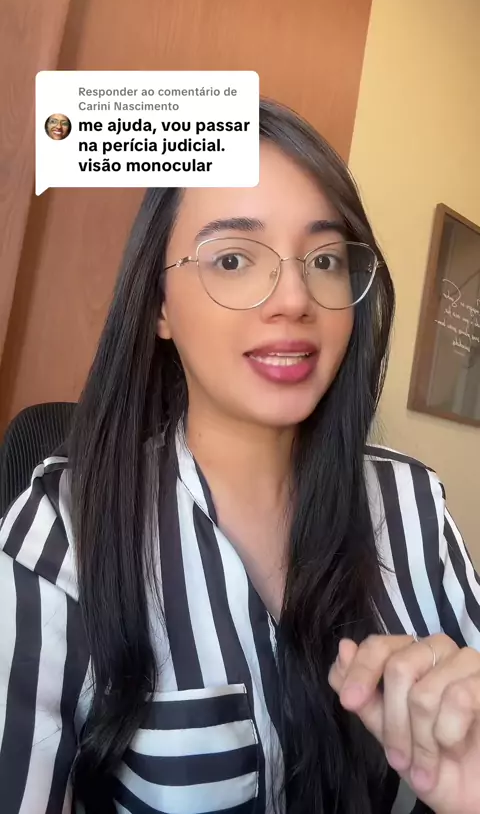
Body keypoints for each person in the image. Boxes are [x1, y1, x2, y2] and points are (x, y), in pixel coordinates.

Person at [1, 99, 479, 814]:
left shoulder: (413, 503)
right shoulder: (62, 531)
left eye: (324, 260)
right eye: (232, 259)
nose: (295, 299)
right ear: (159, 306)